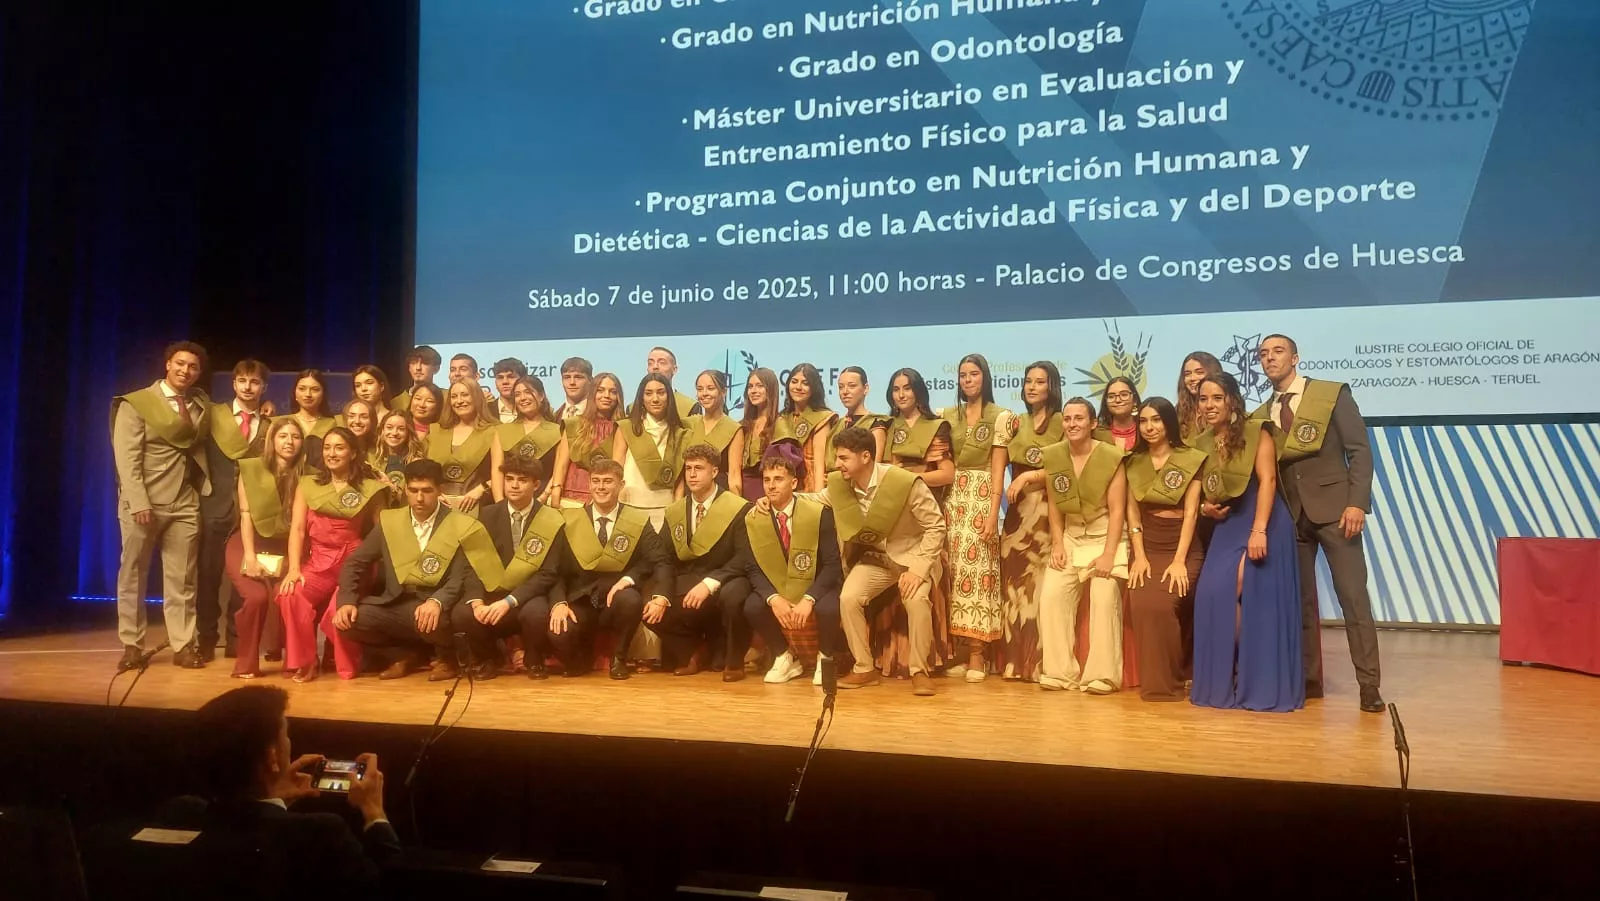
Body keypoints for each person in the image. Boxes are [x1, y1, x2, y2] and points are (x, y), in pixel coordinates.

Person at [1254, 334, 1382, 712]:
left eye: (1277, 352)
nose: (1270, 359)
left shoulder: (1329, 395)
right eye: (1263, 354)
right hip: (1291, 518)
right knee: (1302, 605)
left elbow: (1359, 451)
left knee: (1354, 601)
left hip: (1338, 512)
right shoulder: (1261, 413)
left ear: (1295, 358)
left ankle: (1369, 686)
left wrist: (1356, 502)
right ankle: (1309, 682)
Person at [180, 685, 398, 898]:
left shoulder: (182, 817)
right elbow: (392, 888)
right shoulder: (320, 834)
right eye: (285, 734)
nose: (288, 741)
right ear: (272, 757)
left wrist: (271, 797)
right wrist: (373, 810)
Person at [1190, 372, 1303, 712]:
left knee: (1246, 588)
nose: (1209, 405)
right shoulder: (1201, 442)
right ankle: (1229, 677)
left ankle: (1259, 680)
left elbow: (1268, 480)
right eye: (1204, 399)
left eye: (1216, 398)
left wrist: (1259, 530)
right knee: (1212, 594)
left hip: (1262, 520)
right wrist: (1204, 508)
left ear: (1232, 401)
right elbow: (1200, 492)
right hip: (1227, 524)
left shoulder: (1258, 431)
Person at [330, 459, 491, 681]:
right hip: (397, 602)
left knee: (436, 622)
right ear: (406, 490)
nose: (420, 498)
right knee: (349, 622)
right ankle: (404, 656)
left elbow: (461, 575)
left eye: (427, 491)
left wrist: (437, 601)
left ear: (440, 491)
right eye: (413, 491)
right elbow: (355, 562)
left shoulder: (459, 524)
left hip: (438, 605)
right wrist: (346, 600)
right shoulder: (391, 521)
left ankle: (447, 659)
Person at [111, 341, 214, 671]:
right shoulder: (138, 403)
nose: (186, 371)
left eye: (193, 367)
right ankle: (132, 644)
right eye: (180, 364)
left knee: (182, 579)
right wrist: (139, 501)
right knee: (134, 576)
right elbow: (126, 458)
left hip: (185, 502)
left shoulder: (200, 403)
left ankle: (183, 645)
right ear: (167, 364)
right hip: (144, 502)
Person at [825, 428, 947, 696]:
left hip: (912, 557)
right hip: (877, 560)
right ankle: (864, 668)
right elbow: (816, 500)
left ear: (865, 456)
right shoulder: (842, 484)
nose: (837, 464)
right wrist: (777, 500)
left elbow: (936, 527)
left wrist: (917, 571)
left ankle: (919, 671)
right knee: (849, 598)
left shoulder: (904, 483)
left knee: (916, 602)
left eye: (844, 458)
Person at [277, 427, 387, 682]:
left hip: (354, 562)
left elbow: (383, 532)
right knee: (289, 594)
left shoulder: (371, 488)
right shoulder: (308, 484)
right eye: (327, 447)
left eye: (339, 447)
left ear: (353, 453)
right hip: (318, 561)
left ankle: (347, 663)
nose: (332, 453)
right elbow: (297, 529)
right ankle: (305, 661)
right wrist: (294, 569)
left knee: (338, 609)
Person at [547, 458, 673, 680]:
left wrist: (654, 592)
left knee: (631, 600)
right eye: (595, 481)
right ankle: (580, 658)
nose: (601, 487)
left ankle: (619, 657)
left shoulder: (637, 520)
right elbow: (554, 569)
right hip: (580, 599)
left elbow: (660, 560)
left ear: (621, 485)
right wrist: (558, 602)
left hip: (618, 601)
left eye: (608, 481)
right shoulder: (571, 520)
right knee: (558, 634)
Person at [1039, 397, 1129, 694]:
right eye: (1067, 419)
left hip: (1106, 535)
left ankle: (1102, 675)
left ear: (1092, 424)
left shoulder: (1110, 456)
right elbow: (1054, 505)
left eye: (1079, 418)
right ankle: (1059, 672)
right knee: (1051, 594)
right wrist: (1057, 544)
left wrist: (1108, 554)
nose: (1072, 424)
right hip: (1071, 536)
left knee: (1104, 596)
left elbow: (1118, 510)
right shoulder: (1054, 456)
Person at [452, 455, 569, 680]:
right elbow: (472, 563)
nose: (514, 485)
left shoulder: (551, 519)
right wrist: (477, 601)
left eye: (522, 480)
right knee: (462, 613)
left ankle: (534, 659)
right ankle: (489, 659)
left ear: (536, 485)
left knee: (536, 612)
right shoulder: (487, 515)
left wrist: (509, 602)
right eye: (509, 479)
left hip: (529, 592)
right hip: (492, 589)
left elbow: (549, 572)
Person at [939, 354, 1016, 682]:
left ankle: (978, 655)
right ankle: (958, 649)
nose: (968, 380)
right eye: (962, 375)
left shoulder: (1000, 417)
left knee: (980, 573)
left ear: (985, 377)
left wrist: (992, 512)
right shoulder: (946, 416)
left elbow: (999, 468)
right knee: (954, 574)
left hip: (983, 494)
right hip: (953, 497)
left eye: (973, 374)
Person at [1124, 398, 1207, 701]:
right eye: (1144, 421)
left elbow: (1192, 513)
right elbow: (1132, 514)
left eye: (1156, 420)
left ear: (1168, 423)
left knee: (1165, 603)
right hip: (1147, 546)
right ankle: (1156, 683)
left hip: (1181, 547)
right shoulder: (1132, 463)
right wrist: (1140, 556)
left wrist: (1179, 561)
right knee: (1143, 603)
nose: (1150, 427)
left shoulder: (1190, 459)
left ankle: (1175, 679)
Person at [740, 446, 844, 685]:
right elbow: (752, 567)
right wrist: (773, 598)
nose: (771, 486)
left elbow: (831, 564)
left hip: (817, 582)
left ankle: (825, 657)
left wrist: (809, 598)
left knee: (829, 607)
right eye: (767, 480)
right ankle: (784, 656)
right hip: (779, 585)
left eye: (778, 479)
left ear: (794, 483)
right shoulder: (754, 518)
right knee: (753, 605)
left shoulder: (819, 513)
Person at [649, 444, 752, 676]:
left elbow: (744, 557)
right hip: (689, 579)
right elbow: (663, 557)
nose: (692, 475)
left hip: (727, 577)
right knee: (647, 603)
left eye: (699, 468)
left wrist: (710, 582)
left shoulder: (738, 508)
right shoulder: (675, 511)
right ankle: (693, 652)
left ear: (715, 472)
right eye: (688, 469)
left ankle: (734, 661)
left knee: (734, 595)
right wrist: (661, 595)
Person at [199, 359, 271, 662]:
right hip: (214, 507)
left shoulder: (269, 426)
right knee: (208, 578)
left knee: (243, 580)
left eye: (254, 382)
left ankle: (234, 638)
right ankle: (205, 638)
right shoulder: (215, 416)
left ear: (264, 387)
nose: (248, 387)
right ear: (233, 383)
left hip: (249, 513)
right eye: (242, 380)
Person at [998, 360, 1063, 682]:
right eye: (1028, 381)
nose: (1032, 387)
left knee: (1036, 591)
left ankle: (1035, 662)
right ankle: (1011, 660)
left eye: (1040, 381)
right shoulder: (1013, 422)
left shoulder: (1064, 422)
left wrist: (1029, 479)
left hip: (1046, 513)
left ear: (1052, 386)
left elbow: (1070, 465)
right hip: (1015, 514)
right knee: (1011, 590)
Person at [229, 418, 306, 679]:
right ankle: (246, 664)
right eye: (283, 436)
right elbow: (246, 514)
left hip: (285, 548)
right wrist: (250, 557)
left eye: (295, 437)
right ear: (272, 440)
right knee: (257, 598)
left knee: (287, 597)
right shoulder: (252, 469)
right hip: (247, 543)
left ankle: (293, 661)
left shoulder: (308, 475)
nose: (289, 442)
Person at [613, 372, 688, 528]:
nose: (655, 399)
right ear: (641, 398)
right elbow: (615, 471)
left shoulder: (679, 432)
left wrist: (677, 509)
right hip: (629, 507)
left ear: (669, 397)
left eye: (661, 393)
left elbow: (680, 478)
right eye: (648, 393)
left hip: (665, 510)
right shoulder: (627, 428)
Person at [547, 371, 622, 509]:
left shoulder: (622, 428)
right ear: (592, 394)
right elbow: (562, 464)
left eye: (612, 392)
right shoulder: (574, 424)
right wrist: (556, 490)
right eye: (600, 390)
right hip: (569, 497)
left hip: (604, 497)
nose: (606, 396)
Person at [882, 367, 955, 493]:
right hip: (894, 497)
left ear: (918, 391)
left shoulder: (936, 426)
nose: (901, 395)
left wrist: (909, 478)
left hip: (927, 497)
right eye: (896, 390)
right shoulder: (886, 426)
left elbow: (947, 475)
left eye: (907, 388)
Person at [428, 380, 495, 515]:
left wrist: (482, 489)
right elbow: (424, 470)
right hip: (438, 506)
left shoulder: (495, 431)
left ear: (476, 397)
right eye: (454, 396)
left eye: (465, 395)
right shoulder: (437, 431)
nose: (459, 401)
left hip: (479, 506)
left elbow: (505, 473)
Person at [492, 374, 561, 501]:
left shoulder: (558, 431)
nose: (522, 398)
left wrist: (543, 497)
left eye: (528, 392)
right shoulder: (502, 431)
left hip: (543, 500)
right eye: (517, 394)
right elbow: (497, 471)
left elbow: (558, 471)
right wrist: (500, 502)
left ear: (541, 396)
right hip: (509, 502)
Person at [728, 367, 788, 501]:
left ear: (771, 390)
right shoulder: (741, 426)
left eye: (759, 386)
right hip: (741, 493)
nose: (754, 391)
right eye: (750, 387)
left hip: (769, 493)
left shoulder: (780, 425)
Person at [781, 363, 836, 492]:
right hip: (785, 489)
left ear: (814, 388)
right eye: (794, 382)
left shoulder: (822, 418)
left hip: (809, 489)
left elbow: (818, 466)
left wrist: (818, 499)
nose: (798, 387)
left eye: (805, 383)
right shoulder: (782, 418)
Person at [824, 366, 889, 471]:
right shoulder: (836, 424)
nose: (845, 392)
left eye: (852, 386)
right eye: (841, 387)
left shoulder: (875, 424)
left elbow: (873, 470)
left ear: (865, 388)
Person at [683, 370, 739, 489]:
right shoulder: (689, 424)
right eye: (700, 389)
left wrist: (737, 506)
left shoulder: (734, 428)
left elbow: (734, 476)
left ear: (723, 391)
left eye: (710, 388)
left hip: (720, 496)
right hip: (691, 494)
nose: (704, 393)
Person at [286, 369, 336, 470]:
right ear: (295, 392)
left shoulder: (334, 423)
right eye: (302, 388)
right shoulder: (281, 422)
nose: (308, 394)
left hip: (323, 480)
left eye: (315, 389)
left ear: (323, 394)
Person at [373, 409, 425, 503]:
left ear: (408, 433)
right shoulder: (373, 458)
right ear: (382, 430)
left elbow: (417, 499)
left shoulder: (417, 463)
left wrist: (391, 488)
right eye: (389, 427)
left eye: (401, 429)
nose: (394, 433)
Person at [1176, 351, 1224, 440]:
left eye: (1199, 372)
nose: (1192, 378)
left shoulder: (1228, 410)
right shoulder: (1178, 413)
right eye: (1187, 374)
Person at [645, 345, 696, 418]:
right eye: (650, 363)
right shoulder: (633, 408)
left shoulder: (689, 406)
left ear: (674, 369)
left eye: (662, 362)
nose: (655, 367)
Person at [1094, 376, 1141, 453]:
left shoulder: (1145, 431)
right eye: (1111, 396)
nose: (1118, 400)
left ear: (1135, 400)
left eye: (1124, 395)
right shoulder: (1096, 434)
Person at [393, 344, 442, 412]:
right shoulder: (396, 402)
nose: (418, 368)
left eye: (425, 363)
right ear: (409, 368)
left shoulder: (447, 397)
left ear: (436, 368)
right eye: (413, 363)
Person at [489, 357, 528, 423]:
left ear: (523, 379)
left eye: (511, 377)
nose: (505, 382)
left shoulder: (532, 410)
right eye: (500, 377)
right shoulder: (485, 411)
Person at [554, 356, 592, 421]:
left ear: (590, 380)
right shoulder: (553, 418)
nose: (572, 382)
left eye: (578, 377)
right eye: (567, 377)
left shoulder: (601, 415)